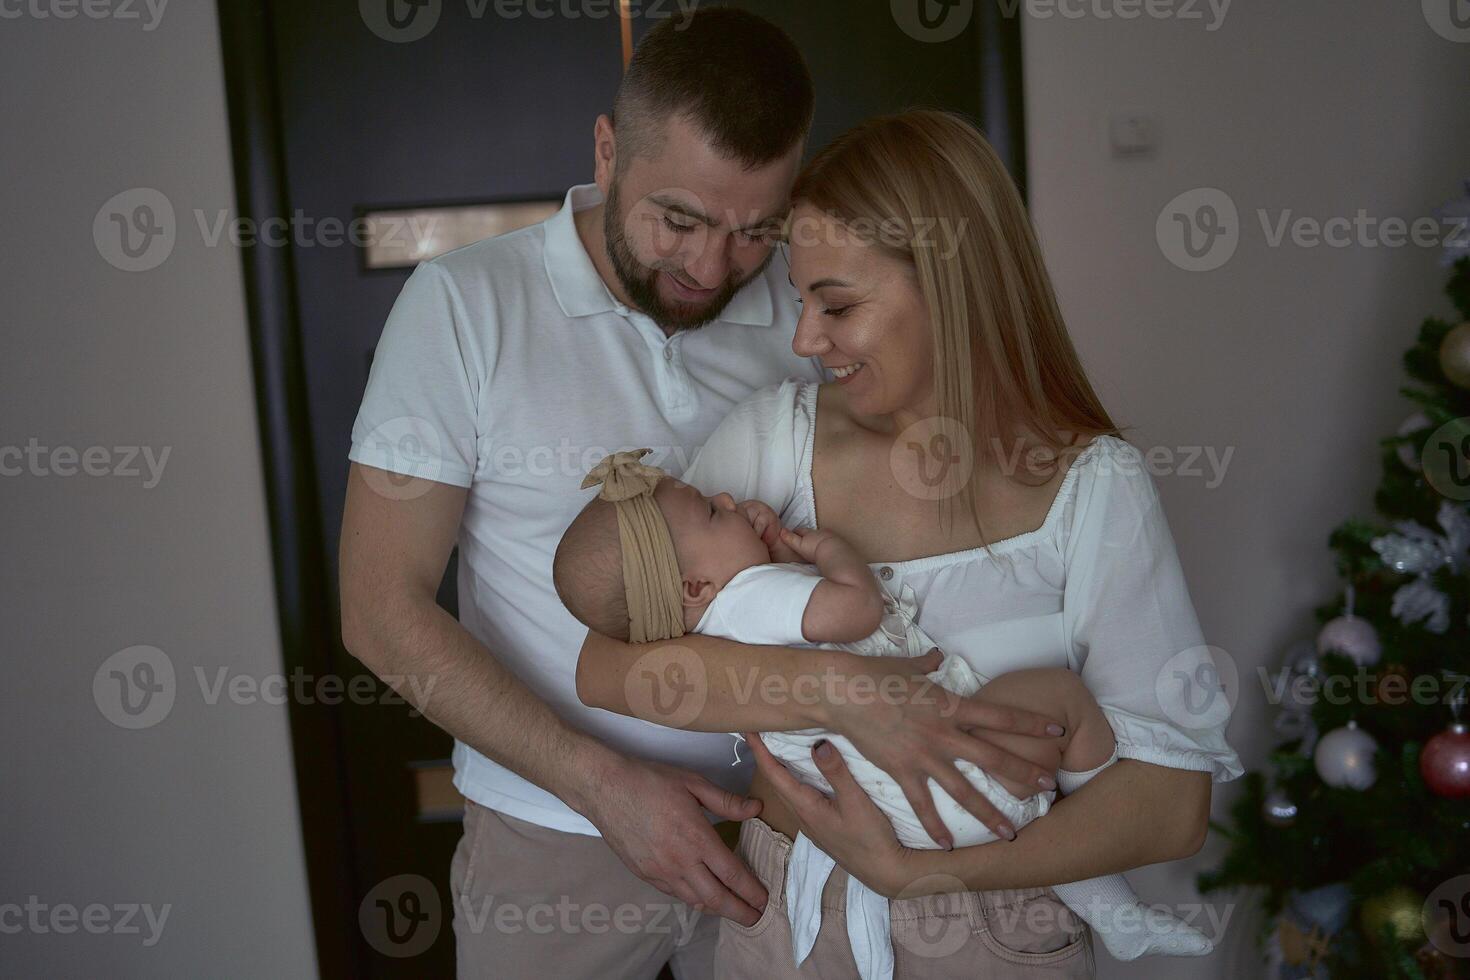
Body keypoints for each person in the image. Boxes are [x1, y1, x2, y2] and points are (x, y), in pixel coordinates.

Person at [338, 12, 1061, 978]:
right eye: (677, 220)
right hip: (557, 834)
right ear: (607, 150)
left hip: (795, 825)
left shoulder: (808, 311)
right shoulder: (464, 307)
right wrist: (606, 789)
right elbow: (379, 613)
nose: (711, 269)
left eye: (754, 229)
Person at [574, 109, 1245, 978]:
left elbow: (1170, 802)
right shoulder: (773, 441)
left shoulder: (1092, 487)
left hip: (1001, 934)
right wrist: (843, 690)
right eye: (800, 295)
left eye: (837, 304)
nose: (803, 338)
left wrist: (923, 874)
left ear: (950, 285)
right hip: (794, 921)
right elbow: (608, 666)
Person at [553, 450, 1216, 976]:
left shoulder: (709, 634)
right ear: (695, 585)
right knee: (1063, 703)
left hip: (899, 818)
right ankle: (1099, 883)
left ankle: (1104, 900)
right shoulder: (752, 597)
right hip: (949, 789)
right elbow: (857, 612)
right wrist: (828, 553)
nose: (727, 498)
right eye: (712, 512)